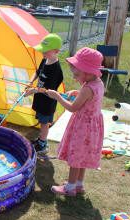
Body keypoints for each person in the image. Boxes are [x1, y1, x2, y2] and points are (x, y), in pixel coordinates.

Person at [45, 47, 105, 196]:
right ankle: (79, 184)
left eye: (77, 73)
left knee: (76, 157)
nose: (74, 77)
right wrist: (77, 93)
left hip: (83, 127)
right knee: (82, 156)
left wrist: (58, 97)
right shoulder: (98, 83)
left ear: (88, 71)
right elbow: (90, 98)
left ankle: (70, 188)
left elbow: (73, 108)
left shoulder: (87, 89)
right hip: (93, 126)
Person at [25, 33, 64, 154]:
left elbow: (48, 90)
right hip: (40, 99)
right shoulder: (45, 60)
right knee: (41, 121)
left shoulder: (56, 69)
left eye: (46, 51)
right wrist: (30, 81)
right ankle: (40, 140)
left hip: (48, 101)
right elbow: (37, 72)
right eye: (43, 50)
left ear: (56, 51)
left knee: (44, 123)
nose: (43, 53)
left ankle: (43, 145)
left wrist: (33, 90)